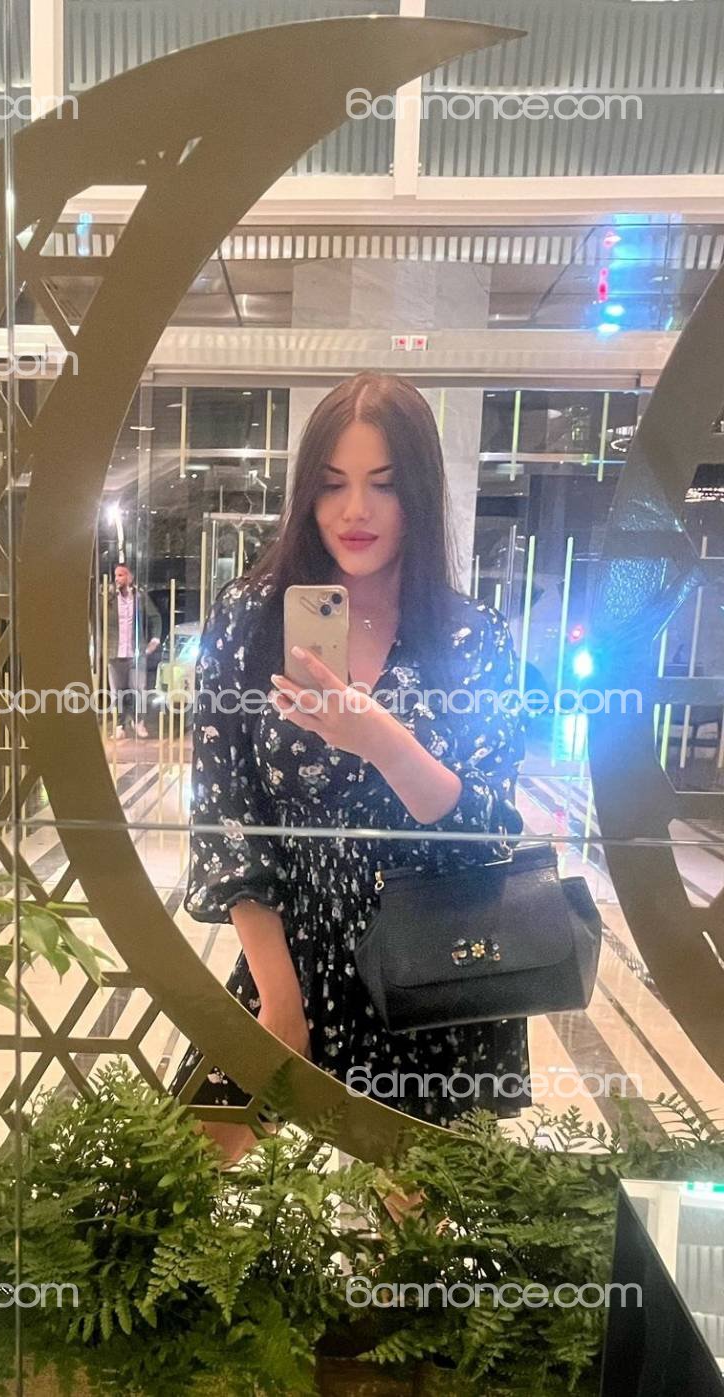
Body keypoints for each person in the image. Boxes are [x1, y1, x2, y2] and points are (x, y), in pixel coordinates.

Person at [171, 372, 529, 1164]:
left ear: (420, 493)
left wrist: (381, 740)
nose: (354, 510)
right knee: (180, 1177)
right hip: (289, 952)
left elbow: (487, 829)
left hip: (429, 968)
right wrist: (281, 1002)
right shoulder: (250, 621)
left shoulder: (471, 638)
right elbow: (226, 815)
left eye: (383, 484)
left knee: (416, 1222)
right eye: (333, 484)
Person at [106, 563, 162, 739]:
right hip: (115, 652)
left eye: (121, 575)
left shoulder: (139, 597)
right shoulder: (109, 599)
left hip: (136, 652)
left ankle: (138, 721)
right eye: (116, 575)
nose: (117, 579)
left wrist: (154, 640)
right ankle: (119, 725)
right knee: (117, 692)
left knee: (138, 689)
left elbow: (155, 617)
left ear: (130, 577)